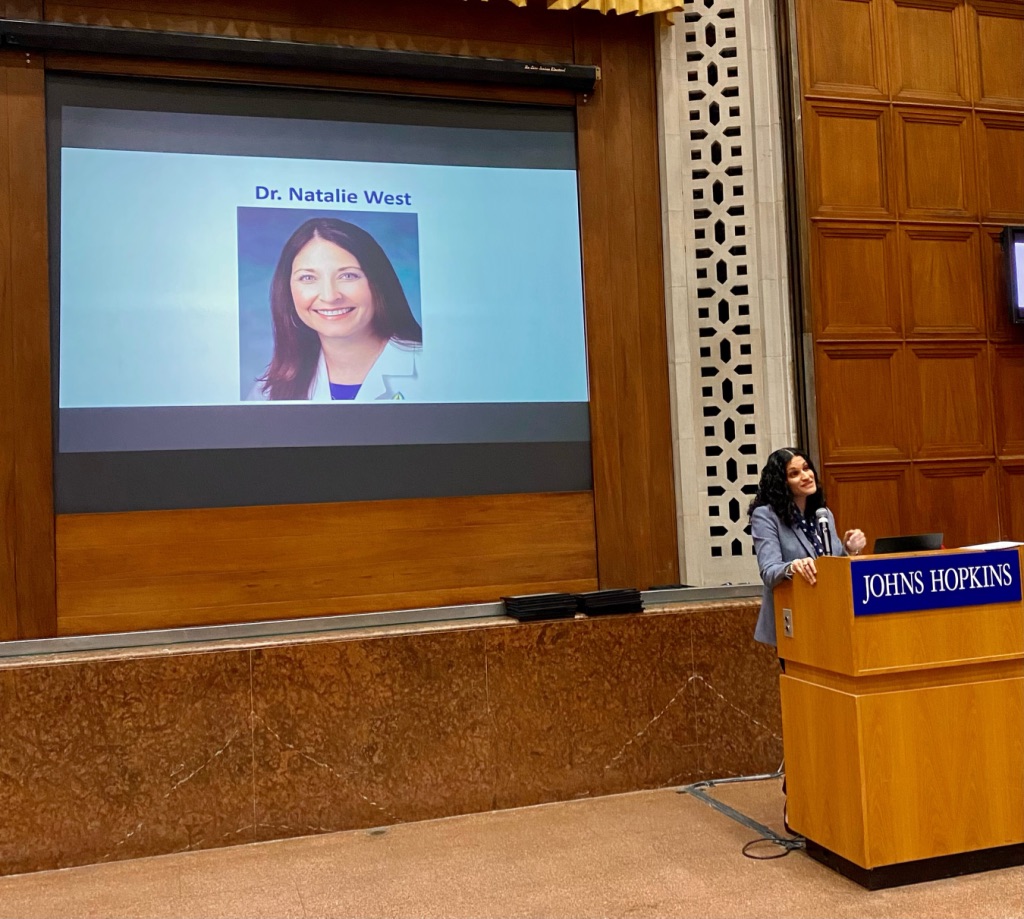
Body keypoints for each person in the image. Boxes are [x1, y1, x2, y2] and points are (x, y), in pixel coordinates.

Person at [252, 217, 422, 401]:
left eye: (348, 275)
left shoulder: (433, 368)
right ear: (287, 289)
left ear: (378, 282)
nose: (330, 296)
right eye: (308, 278)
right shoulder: (270, 389)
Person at [748, 447, 866, 647]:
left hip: (829, 618)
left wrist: (849, 550)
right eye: (795, 474)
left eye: (806, 468)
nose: (806, 476)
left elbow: (832, 564)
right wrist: (793, 566)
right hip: (794, 620)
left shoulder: (822, 513)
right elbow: (769, 571)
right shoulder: (765, 516)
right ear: (781, 482)